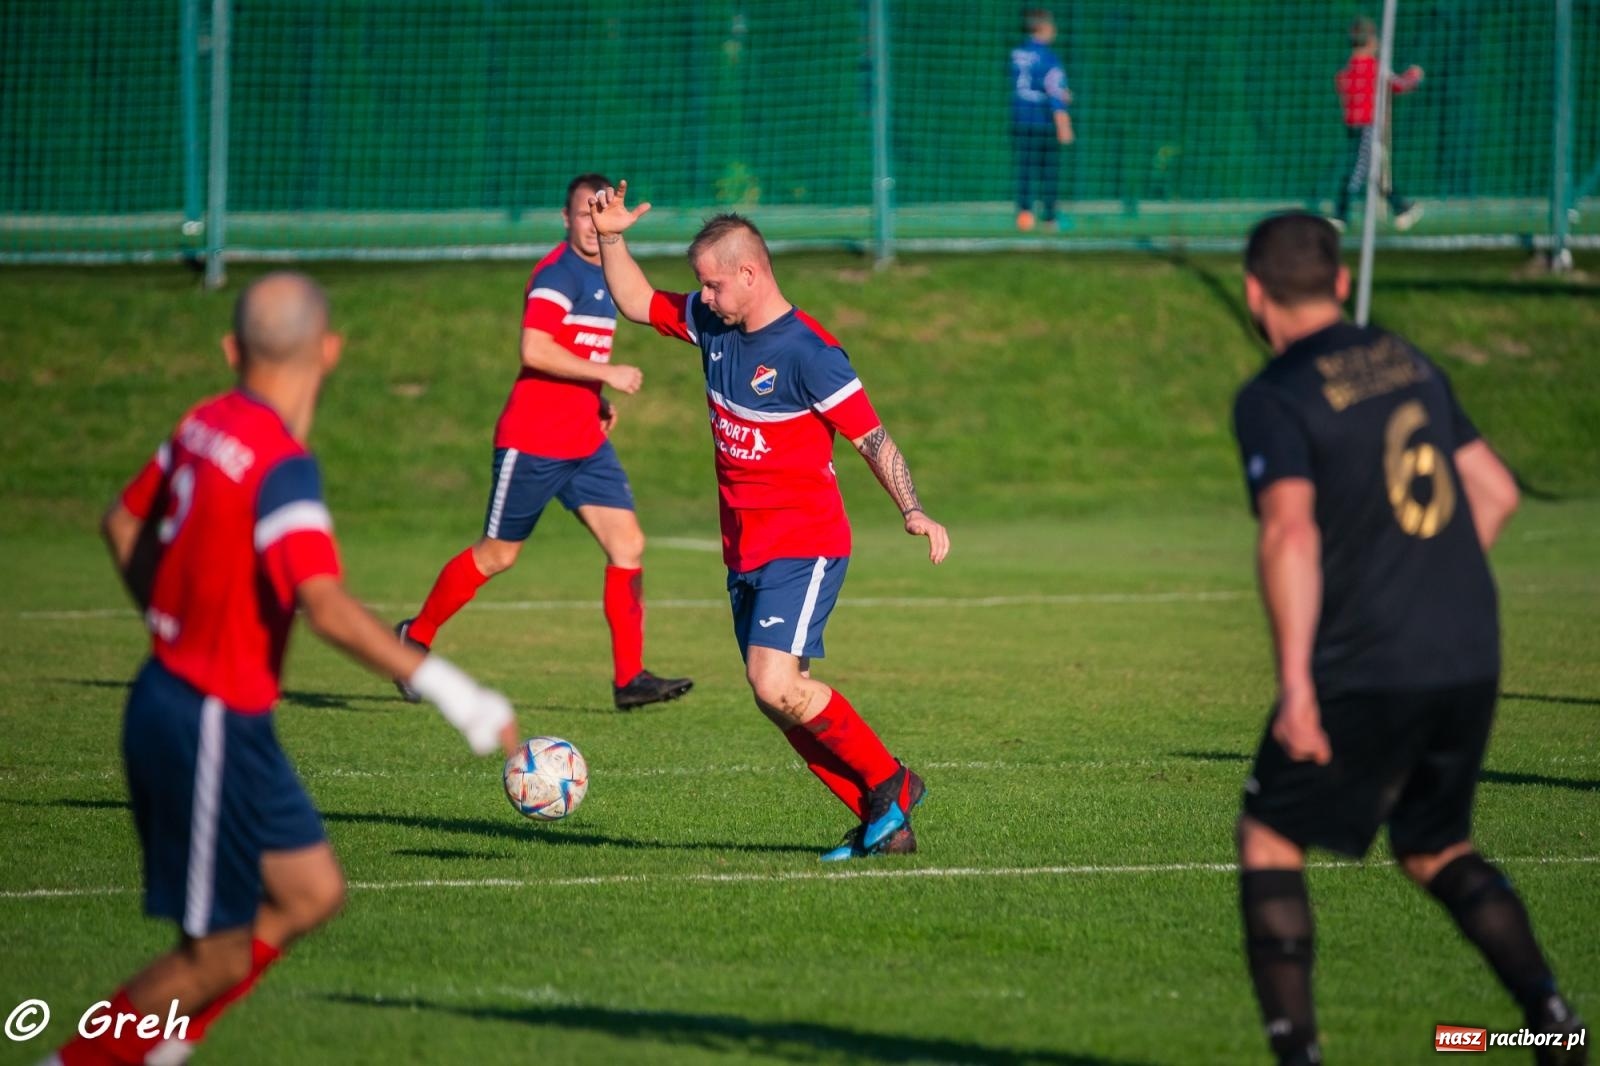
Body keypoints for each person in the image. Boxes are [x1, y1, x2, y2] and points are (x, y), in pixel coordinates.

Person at [49, 273, 519, 1066]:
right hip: (202, 713)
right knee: (213, 957)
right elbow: (326, 607)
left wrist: (167, 619)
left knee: (312, 894)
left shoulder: (205, 422)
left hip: (223, 713)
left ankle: (159, 1047)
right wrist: (455, 691)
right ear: (329, 352)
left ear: (232, 349)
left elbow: (122, 521)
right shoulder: (282, 463)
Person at [1231, 213, 1585, 1066]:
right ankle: (1553, 1025)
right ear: (1342, 284)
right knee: (1433, 847)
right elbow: (1494, 492)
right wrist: (1424, 586)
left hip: (1370, 661)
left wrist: (1299, 687)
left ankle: (1298, 1056)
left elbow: (1289, 534)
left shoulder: (1275, 394)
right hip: (1467, 646)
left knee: (1270, 835)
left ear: (1253, 293)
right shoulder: (1406, 360)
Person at [588, 182, 951, 861]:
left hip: (803, 544)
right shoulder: (714, 325)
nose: (706, 296)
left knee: (774, 683)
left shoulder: (810, 352)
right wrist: (611, 238)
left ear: (750, 275)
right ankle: (886, 825)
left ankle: (891, 782)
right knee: (775, 699)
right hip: (744, 550)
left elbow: (872, 439)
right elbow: (636, 301)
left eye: (714, 284)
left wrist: (914, 509)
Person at [395, 173, 692, 712]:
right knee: (497, 556)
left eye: (598, 212)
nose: (590, 222)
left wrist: (595, 396)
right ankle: (413, 640)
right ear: (565, 218)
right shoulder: (558, 273)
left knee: (627, 544)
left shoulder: (607, 271)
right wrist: (610, 371)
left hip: (584, 441)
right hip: (532, 441)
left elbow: (574, 346)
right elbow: (534, 348)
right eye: (583, 213)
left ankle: (630, 679)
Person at [1334, 16, 1424, 231]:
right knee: (1362, 170)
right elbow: (1399, 85)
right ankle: (1342, 215)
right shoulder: (1373, 68)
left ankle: (1400, 208)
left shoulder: (1347, 70)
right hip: (1368, 127)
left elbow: (1344, 91)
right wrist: (1415, 75)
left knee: (1370, 170)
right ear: (1371, 41)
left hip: (1358, 128)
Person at [1009, 8, 1074, 233]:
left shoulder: (1017, 53)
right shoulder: (1049, 58)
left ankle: (1025, 216)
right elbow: (1056, 93)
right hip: (1043, 122)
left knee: (1025, 169)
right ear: (1043, 27)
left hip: (1020, 119)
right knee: (1048, 171)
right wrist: (1064, 126)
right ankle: (1049, 219)